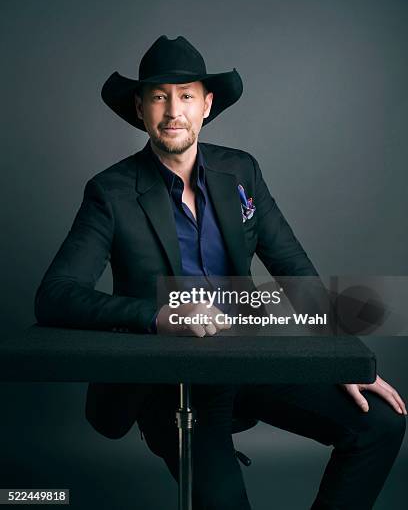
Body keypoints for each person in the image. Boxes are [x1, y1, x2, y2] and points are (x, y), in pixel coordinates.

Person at [35, 35, 406, 509]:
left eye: (186, 95)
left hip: (249, 354)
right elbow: (55, 295)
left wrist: (341, 358)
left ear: (207, 105)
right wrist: (157, 316)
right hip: (168, 378)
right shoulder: (110, 192)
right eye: (159, 97)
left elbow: (293, 269)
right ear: (141, 108)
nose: (174, 111)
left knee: (381, 425)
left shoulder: (241, 171)